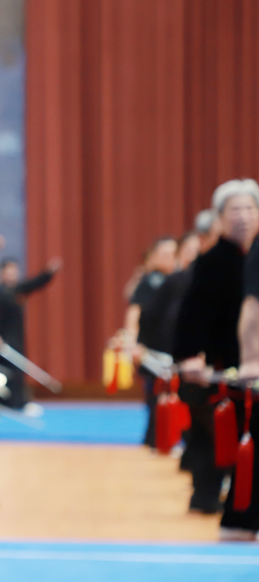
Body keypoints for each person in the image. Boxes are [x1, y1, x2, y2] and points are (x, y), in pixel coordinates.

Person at [174, 180, 259, 536]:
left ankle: (239, 516)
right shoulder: (212, 262)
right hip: (230, 370)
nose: (243, 217)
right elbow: (191, 317)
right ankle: (233, 515)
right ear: (220, 218)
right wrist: (189, 356)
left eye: (250, 209)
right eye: (235, 210)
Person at [121, 236, 178, 447]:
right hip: (152, 351)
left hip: (174, 348)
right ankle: (156, 440)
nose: (168, 258)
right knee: (155, 395)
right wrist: (132, 341)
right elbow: (134, 311)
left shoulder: (181, 278)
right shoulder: (150, 281)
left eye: (172, 254)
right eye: (163, 254)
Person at [0, 256, 62, 411]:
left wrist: (48, 273)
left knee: (18, 371)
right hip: (4, 340)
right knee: (8, 372)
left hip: (17, 338)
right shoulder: (0, 293)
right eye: (9, 271)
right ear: (2, 273)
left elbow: (33, 284)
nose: (12, 274)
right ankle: (8, 403)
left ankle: (19, 402)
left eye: (14, 271)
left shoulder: (16, 290)